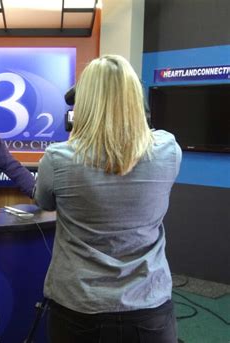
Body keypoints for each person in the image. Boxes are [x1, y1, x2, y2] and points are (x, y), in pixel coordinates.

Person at [34, 55, 181, 342]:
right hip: (147, 307)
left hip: (78, 308)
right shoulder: (168, 149)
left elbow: (44, 202)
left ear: (84, 103)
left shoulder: (58, 159)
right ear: (136, 100)